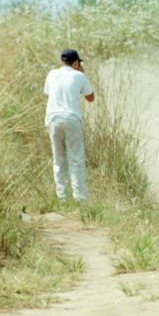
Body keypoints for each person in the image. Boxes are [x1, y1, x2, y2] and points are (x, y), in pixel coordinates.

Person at [44, 49, 95, 202]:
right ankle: (81, 198)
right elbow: (91, 98)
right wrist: (82, 74)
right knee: (76, 159)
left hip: (52, 118)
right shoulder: (79, 75)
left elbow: (48, 93)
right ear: (76, 62)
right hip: (71, 118)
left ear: (63, 61)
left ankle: (62, 198)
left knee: (58, 159)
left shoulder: (52, 74)